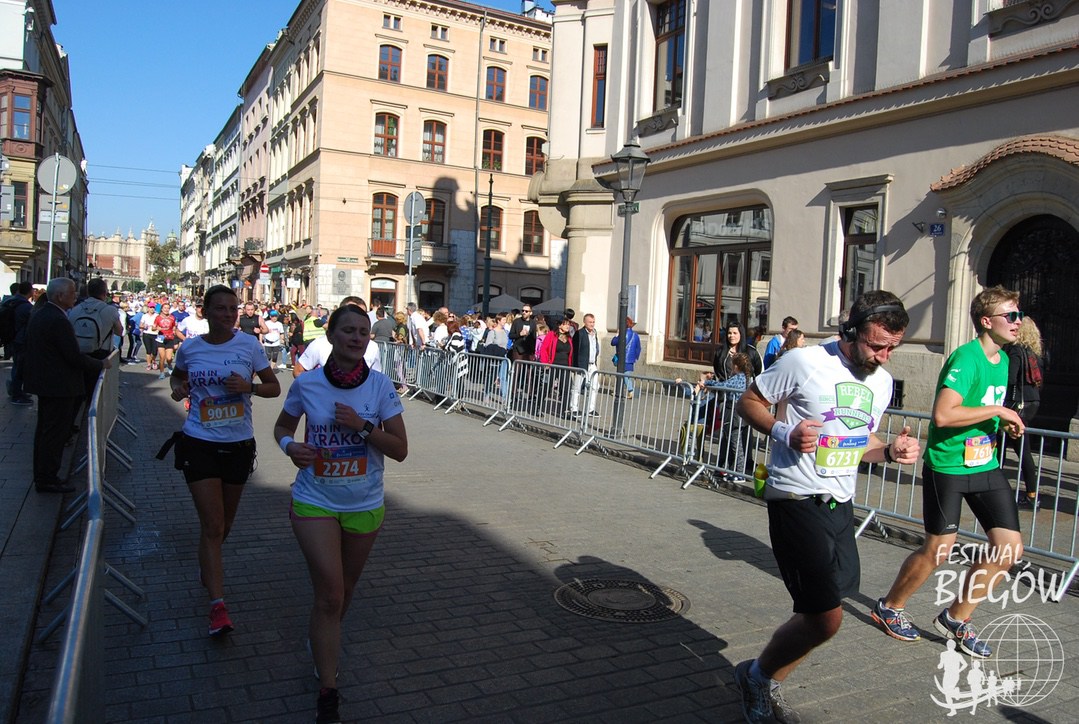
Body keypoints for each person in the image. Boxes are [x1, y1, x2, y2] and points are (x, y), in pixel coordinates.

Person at [733, 291, 919, 723]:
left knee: (828, 609)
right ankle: (758, 679)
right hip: (795, 497)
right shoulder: (805, 361)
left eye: (893, 347)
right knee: (826, 617)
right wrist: (785, 432)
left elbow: (861, 439)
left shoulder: (881, 381)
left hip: (840, 503)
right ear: (850, 332)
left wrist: (890, 452)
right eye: (877, 345)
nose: (884, 356)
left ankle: (762, 677)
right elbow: (749, 401)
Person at [872, 285, 1026, 659]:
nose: (1018, 322)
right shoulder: (966, 358)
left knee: (1009, 549)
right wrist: (999, 411)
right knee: (938, 551)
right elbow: (943, 415)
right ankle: (890, 606)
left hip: (985, 464)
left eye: (1019, 315)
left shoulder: (1003, 360)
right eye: (1011, 316)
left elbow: (977, 409)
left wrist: (1001, 424)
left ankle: (956, 618)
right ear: (986, 321)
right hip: (949, 467)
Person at [272, 304, 407, 724]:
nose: (356, 337)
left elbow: (400, 450)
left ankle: (322, 639)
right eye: (348, 330)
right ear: (330, 336)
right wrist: (290, 448)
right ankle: (328, 691)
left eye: (363, 332)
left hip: (364, 504)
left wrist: (362, 427)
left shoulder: (380, 387)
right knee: (330, 594)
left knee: (342, 594)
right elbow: (281, 427)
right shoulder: (307, 384)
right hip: (315, 499)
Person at [163, 284, 280, 637]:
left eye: (233, 308)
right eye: (221, 308)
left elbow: (273, 387)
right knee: (213, 525)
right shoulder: (191, 347)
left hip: (238, 445)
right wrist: (178, 388)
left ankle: (208, 561)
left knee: (223, 526)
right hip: (198, 442)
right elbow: (178, 376)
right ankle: (217, 607)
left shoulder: (249, 346)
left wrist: (248, 388)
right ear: (206, 311)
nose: (229, 315)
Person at [25, 278, 112, 493]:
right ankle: (48, 477)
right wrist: (100, 363)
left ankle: (44, 475)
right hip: (58, 385)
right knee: (54, 433)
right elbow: (73, 355)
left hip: (47, 383)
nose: (76, 296)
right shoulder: (57, 320)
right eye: (72, 293)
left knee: (46, 431)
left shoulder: (44, 314)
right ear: (60, 296)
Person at [1003, 316, 1044, 508]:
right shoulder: (1035, 352)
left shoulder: (1015, 350)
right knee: (1019, 447)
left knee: (1010, 447)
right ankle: (1031, 493)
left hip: (1016, 403)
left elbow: (1010, 378)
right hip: (1032, 402)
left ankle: (1030, 495)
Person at [295, 297, 382, 377]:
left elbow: (376, 378)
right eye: (352, 312)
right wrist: (319, 386)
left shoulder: (373, 348)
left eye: (361, 313)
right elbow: (298, 371)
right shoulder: (319, 345)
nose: (356, 338)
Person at [4, 281, 33, 404]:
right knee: (20, 368)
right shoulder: (26, 306)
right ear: (30, 291)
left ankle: (17, 391)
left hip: (12, 338)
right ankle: (16, 394)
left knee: (17, 366)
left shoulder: (10, 301)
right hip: (21, 340)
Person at [570, 313, 600, 418]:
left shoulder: (594, 333)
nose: (592, 324)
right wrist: (575, 366)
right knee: (577, 387)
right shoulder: (580, 333)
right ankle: (574, 408)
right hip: (582, 364)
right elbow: (575, 350)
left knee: (595, 386)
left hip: (592, 364)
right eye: (590, 322)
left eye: (593, 322)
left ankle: (591, 409)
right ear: (585, 322)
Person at [609, 317, 642, 399]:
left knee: (624, 376)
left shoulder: (622, 334)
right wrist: (635, 357)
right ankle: (618, 391)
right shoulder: (635, 335)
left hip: (622, 359)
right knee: (624, 375)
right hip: (630, 359)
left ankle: (631, 391)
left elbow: (613, 342)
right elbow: (638, 348)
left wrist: (616, 334)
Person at [155, 302, 180, 379]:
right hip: (161, 338)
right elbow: (153, 327)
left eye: (168, 308)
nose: (166, 309)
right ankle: (162, 373)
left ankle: (169, 365)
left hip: (170, 339)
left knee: (169, 358)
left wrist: (175, 333)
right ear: (162, 309)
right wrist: (158, 328)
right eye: (165, 308)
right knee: (162, 357)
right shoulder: (158, 317)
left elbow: (174, 327)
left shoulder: (172, 317)